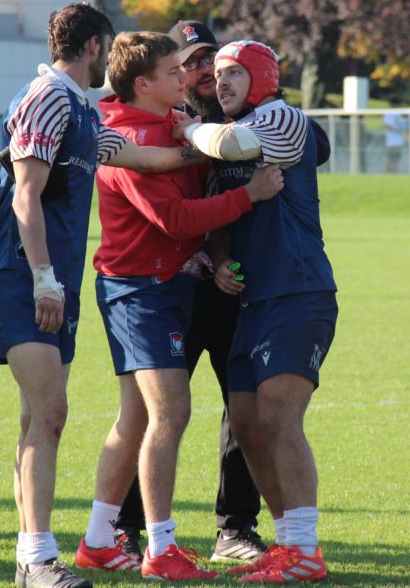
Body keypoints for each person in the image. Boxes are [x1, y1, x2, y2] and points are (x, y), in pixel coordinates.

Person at [0, 3, 204, 588]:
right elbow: (25, 195)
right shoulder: (48, 99)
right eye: (105, 47)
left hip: (56, 281)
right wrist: (43, 278)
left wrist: (200, 141)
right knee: (50, 413)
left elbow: (142, 158)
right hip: (26, 277)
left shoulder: (80, 109)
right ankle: (38, 561)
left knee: (37, 418)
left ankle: (29, 557)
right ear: (92, 48)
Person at [73, 32, 283, 581]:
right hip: (140, 291)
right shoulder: (125, 137)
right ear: (144, 83)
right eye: (174, 71)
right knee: (171, 413)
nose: (186, 78)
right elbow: (175, 220)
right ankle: (159, 548)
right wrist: (249, 195)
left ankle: (98, 540)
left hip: (167, 287)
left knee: (137, 418)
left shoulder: (170, 122)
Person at [181, 40, 337, 583]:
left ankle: (305, 550)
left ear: (262, 78)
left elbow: (230, 143)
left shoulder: (282, 118)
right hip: (252, 302)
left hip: (297, 292)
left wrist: (186, 128)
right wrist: (222, 259)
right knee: (246, 425)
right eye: (218, 74)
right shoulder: (227, 133)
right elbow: (220, 219)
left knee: (277, 418)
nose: (220, 81)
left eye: (233, 73)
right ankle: (286, 542)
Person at [383, 96, 406, 174]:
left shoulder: (398, 114)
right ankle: (388, 172)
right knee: (391, 158)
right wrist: (397, 129)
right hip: (391, 142)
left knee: (397, 158)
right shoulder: (388, 114)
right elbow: (388, 125)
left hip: (399, 141)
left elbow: (404, 125)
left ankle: (394, 172)